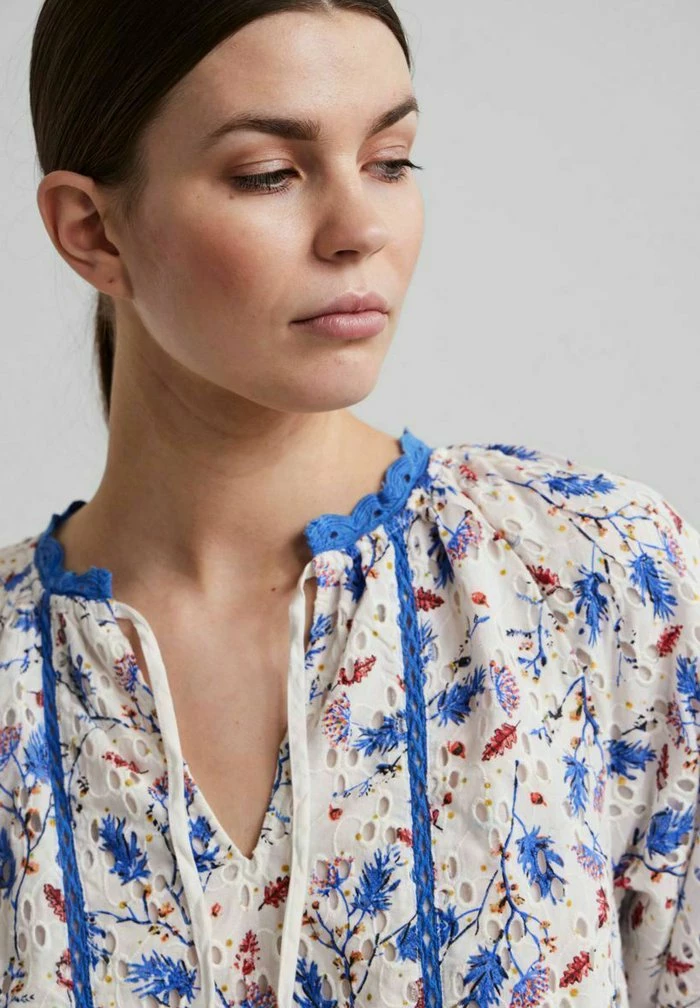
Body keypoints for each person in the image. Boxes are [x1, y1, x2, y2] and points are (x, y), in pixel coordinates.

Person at [1, 1, 698, 1005]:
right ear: (92, 230)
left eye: (390, 161)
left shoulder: (596, 579)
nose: (361, 229)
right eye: (268, 174)